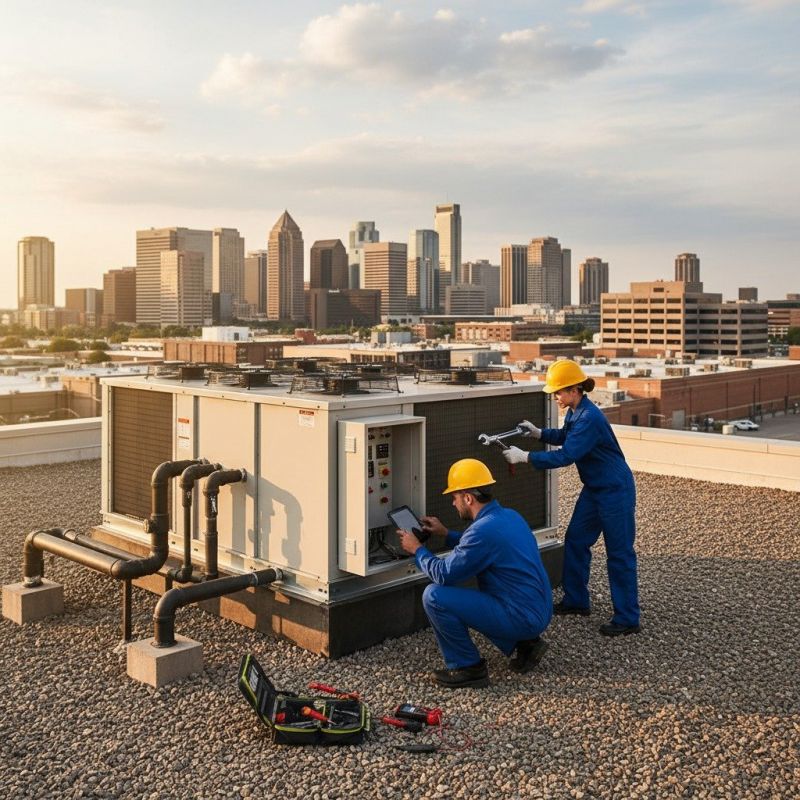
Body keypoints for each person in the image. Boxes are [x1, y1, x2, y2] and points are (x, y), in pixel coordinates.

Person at [503, 359, 641, 637]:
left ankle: (628, 618)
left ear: (575, 389)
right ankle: (577, 601)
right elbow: (567, 436)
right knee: (576, 541)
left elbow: (566, 455)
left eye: (559, 391)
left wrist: (525, 456)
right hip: (595, 489)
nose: (555, 396)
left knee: (619, 553)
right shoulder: (578, 411)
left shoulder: (589, 418)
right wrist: (539, 433)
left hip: (615, 490)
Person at [397, 458, 553, 689]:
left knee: (434, 596)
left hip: (522, 616)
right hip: (539, 610)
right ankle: (526, 644)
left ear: (468, 498)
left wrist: (417, 549)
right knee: (477, 592)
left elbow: (444, 574)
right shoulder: (509, 516)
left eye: (455, 497)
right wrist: (446, 533)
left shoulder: (482, 531)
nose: (453, 503)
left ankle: (468, 668)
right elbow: (482, 546)